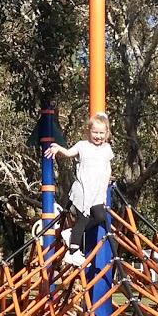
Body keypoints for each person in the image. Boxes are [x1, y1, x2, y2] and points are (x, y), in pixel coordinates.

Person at [47, 112, 113, 266]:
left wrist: (104, 187)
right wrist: (58, 148)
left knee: (100, 216)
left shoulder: (107, 148)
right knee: (82, 219)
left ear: (106, 133)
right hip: (82, 189)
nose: (98, 136)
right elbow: (69, 153)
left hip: (96, 191)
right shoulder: (82, 146)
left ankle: (72, 233)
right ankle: (73, 252)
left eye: (101, 133)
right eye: (95, 132)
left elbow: (107, 169)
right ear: (88, 131)